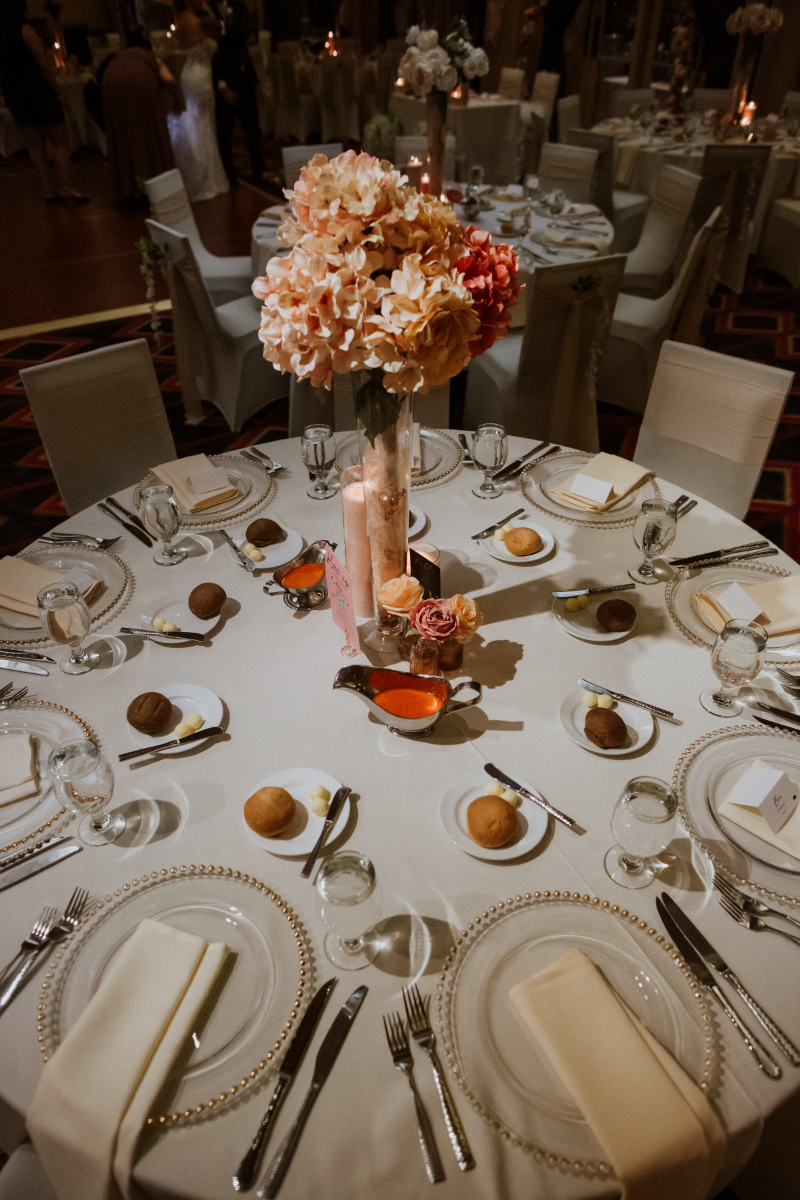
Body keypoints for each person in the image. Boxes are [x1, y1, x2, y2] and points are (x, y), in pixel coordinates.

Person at [0, 0, 88, 203]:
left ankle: (48, 190)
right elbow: (43, 64)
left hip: (14, 92)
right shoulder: (26, 31)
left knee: (34, 143)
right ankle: (66, 186)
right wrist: (58, 92)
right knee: (60, 141)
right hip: (37, 89)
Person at [101, 29, 180, 208]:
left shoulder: (119, 59)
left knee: (122, 138)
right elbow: (169, 80)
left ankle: (127, 190)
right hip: (139, 85)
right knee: (148, 136)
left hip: (110, 84)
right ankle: (152, 188)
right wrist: (178, 101)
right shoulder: (148, 57)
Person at [167, 0, 230, 202]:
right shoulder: (195, 19)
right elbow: (217, 26)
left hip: (191, 75)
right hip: (200, 77)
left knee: (200, 124)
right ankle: (204, 179)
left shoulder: (182, 19)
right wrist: (204, 5)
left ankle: (200, 175)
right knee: (203, 125)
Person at [210, 0, 265, 187]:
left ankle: (260, 172)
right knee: (224, 133)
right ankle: (229, 176)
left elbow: (245, 30)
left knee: (253, 130)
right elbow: (210, 47)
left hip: (244, 77)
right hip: (222, 77)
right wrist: (221, 85)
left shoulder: (238, 4)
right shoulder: (207, 7)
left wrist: (223, 27)